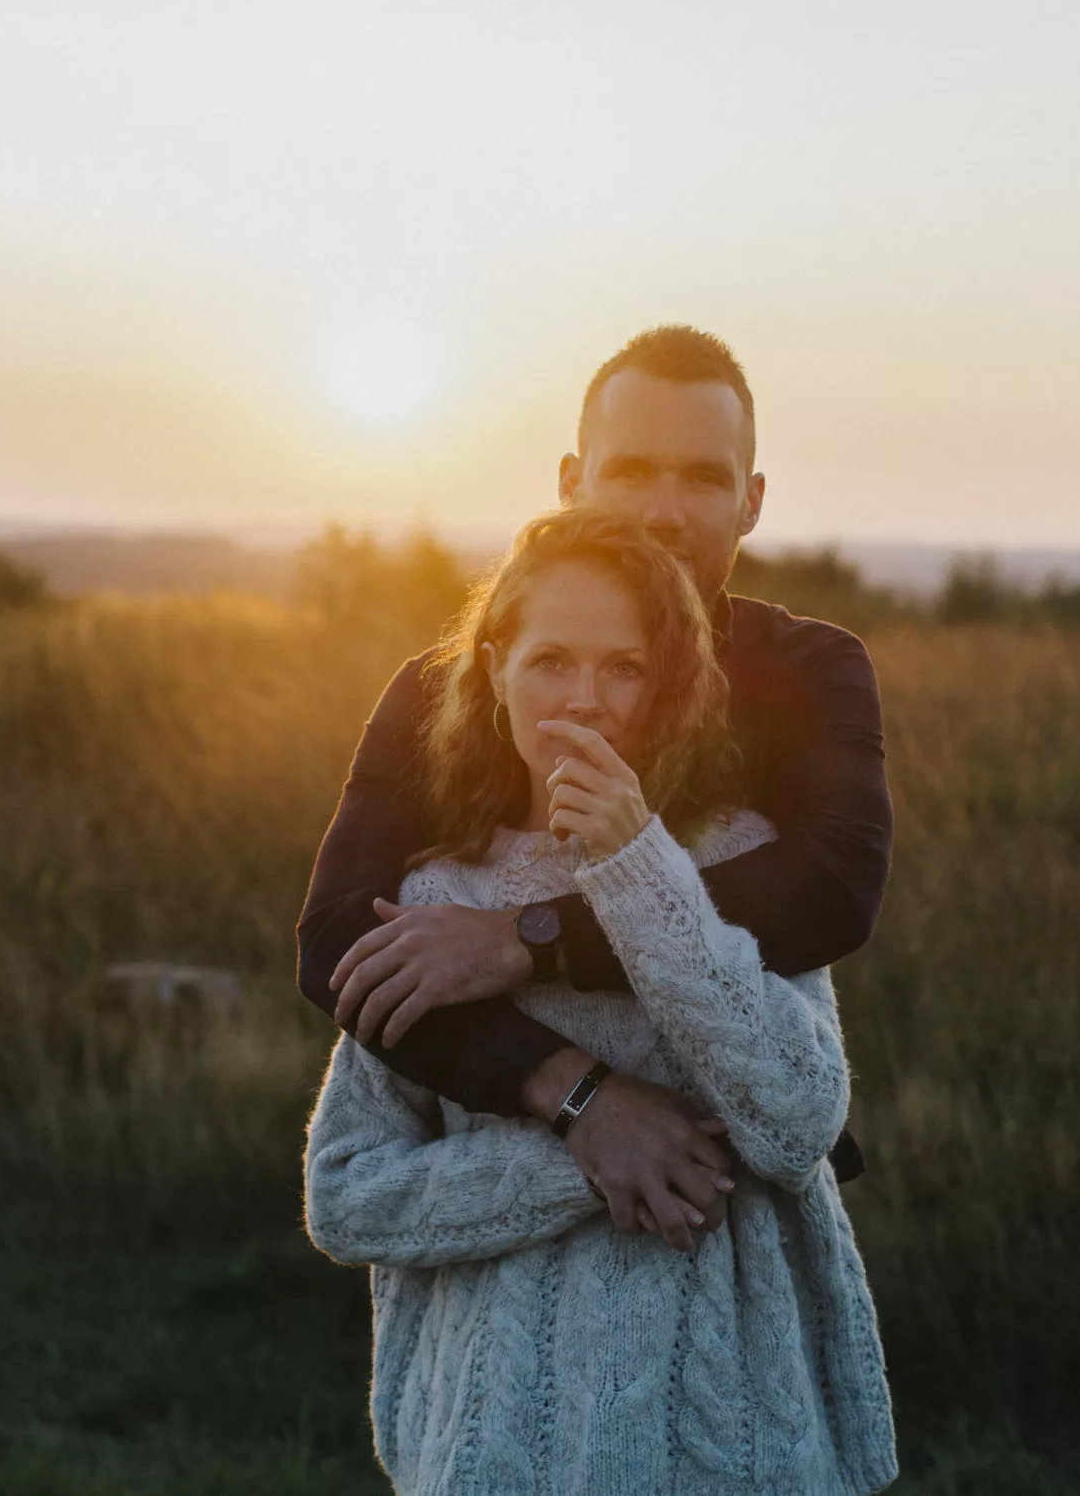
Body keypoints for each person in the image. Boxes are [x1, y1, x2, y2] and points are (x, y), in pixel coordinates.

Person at [303, 507, 898, 1494]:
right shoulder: (437, 900)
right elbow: (347, 1193)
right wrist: (586, 1153)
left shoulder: (740, 862)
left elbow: (797, 1124)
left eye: (624, 668)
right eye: (550, 662)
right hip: (497, 1454)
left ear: (669, 686)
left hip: (737, 1450)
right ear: (494, 670)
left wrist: (636, 868)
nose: (584, 700)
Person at [295, 326, 891, 1236]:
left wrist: (528, 939)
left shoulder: (810, 669)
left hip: (741, 1218)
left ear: (751, 501)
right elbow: (340, 940)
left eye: (703, 478)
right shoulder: (442, 690)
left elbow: (832, 888)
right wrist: (576, 1093)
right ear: (572, 482)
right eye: (632, 471)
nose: (664, 511)